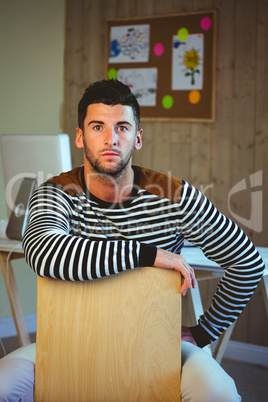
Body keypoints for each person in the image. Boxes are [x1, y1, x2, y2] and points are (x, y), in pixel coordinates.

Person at [0, 79, 264, 402]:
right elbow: (45, 253)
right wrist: (151, 255)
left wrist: (202, 331)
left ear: (137, 138)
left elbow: (247, 262)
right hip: (69, 340)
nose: (111, 139)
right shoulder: (55, 192)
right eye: (98, 127)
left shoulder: (173, 195)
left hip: (155, 343)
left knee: (219, 393)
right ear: (80, 137)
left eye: (122, 127)